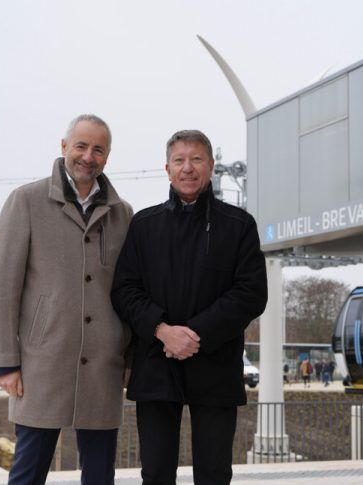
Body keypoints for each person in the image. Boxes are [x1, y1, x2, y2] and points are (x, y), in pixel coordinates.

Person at [111, 129, 268, 485]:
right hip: (156, 361)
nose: (187, 168)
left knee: (214, 473)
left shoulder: (239, 225)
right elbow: (124, 290)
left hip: (216, 364)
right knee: (155, 473)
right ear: (167, 169)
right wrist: (162, 330)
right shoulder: (144, 225)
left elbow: (251, 293)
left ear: (211, 166)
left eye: (196, 159)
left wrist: (195, 335)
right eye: (179, 160)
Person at [0, 114, 132, 485]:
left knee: (99, 476)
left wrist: (129, 357)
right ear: (64, 146)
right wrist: (5, 362)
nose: (88, 156)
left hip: (103, 366)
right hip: (41, 365)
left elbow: (131, 291)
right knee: (28, 473)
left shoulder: (122, 214)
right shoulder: (26, 201)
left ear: (107, 156)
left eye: (98, 150)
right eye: (81, 146)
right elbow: (2, 287)